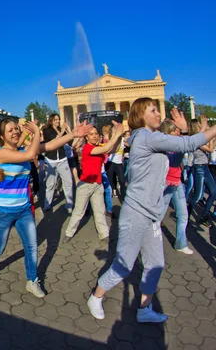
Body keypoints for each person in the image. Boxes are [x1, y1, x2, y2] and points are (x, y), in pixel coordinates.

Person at [87, 102, 216, 324]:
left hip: (151, 214)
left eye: (158, 109)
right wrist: (195, 133)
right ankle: (96, 296)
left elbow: (178, 156)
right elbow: (190, 143)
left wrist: (184, 131)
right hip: (137, 211)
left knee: (155, 263)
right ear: (140, 115)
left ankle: (144, 309)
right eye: (153, 110)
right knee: (123, 266)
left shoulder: (150, 138)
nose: (158, 113)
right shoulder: (145, 137)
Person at [0, 118, 92, 295]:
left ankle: (32, 280)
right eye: (10, 130)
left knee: (31, 246)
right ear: (2, 136)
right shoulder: (1, 153)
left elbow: (50, 145)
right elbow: (29, 156)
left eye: (16, 128)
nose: (15, 132)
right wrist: (36, 132)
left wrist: (73, 134)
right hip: (2, 211)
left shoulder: (24, 148)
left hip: (24, 209)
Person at [62, 122, 124, 243]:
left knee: (100, 211)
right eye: (91, 134)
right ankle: (69, 233)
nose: (94, 136)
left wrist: (119, 136)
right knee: (78, 212)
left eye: (96, 134)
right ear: (86, 137)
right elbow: (106, 148)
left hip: (97, 184)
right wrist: (116, 134)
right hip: (85, 185)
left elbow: (112, 149)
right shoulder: (87, 148)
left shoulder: (98, 147)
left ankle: (104, 234)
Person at [159, 119, 193, 254]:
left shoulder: (175, 145)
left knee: (183, 214)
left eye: (177, 130)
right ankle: (147, 243)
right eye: (175, 130)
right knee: (158, 215)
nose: (177, 132)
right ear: (168, 133)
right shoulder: (164, 147)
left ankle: (180, 243)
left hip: (177, 183)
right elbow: (173, 162)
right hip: (166, 184)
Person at [42, 114, 74, 213]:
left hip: (62, 159)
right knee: (50, 184)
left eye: (59, 119)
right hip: (51, 160)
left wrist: (68, 130)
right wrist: (63, 131)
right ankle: (47, 204)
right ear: (51, 121)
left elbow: (70, 142)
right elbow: (55, 140)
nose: (58, 121)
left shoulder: (61, 130)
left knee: (68, 182)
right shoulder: (46, 130)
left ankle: (69, 205)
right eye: (55, 119)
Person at [187, 118, 216, 225]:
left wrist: (212, 138)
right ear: (196, 126)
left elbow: (211, 147)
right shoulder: (195, 139)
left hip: (205, 167)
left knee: (213, 192)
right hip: (199, 167)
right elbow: (210, 149)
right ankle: (186, 215)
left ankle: (204, 216)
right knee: (198, 195)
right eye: (199, 124)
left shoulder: (200, 138)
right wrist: (211, 139)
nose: (201, 125)